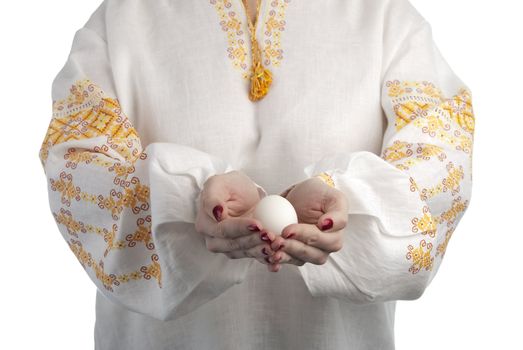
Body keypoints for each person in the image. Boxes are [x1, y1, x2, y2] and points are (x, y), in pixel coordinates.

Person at [38, 0, 475, 349]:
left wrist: (345, 203)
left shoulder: (386, 17)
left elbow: (441, 160)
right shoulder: (120, 20)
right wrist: (189, 199)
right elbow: (79, 169)